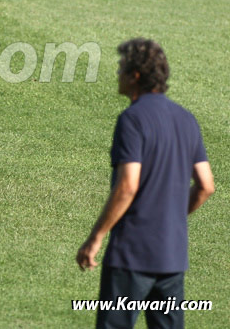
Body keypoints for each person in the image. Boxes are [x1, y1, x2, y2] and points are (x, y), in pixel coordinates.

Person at [76, 38, 214, 328]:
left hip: (131, 254)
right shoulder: (187, 120)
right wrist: (173, 218)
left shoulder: (132, 119)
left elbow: (128, 185)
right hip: (172, 257)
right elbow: (205, 185)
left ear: (135, 76)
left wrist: (96, 237)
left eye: (121, 68)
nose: (117, 74)